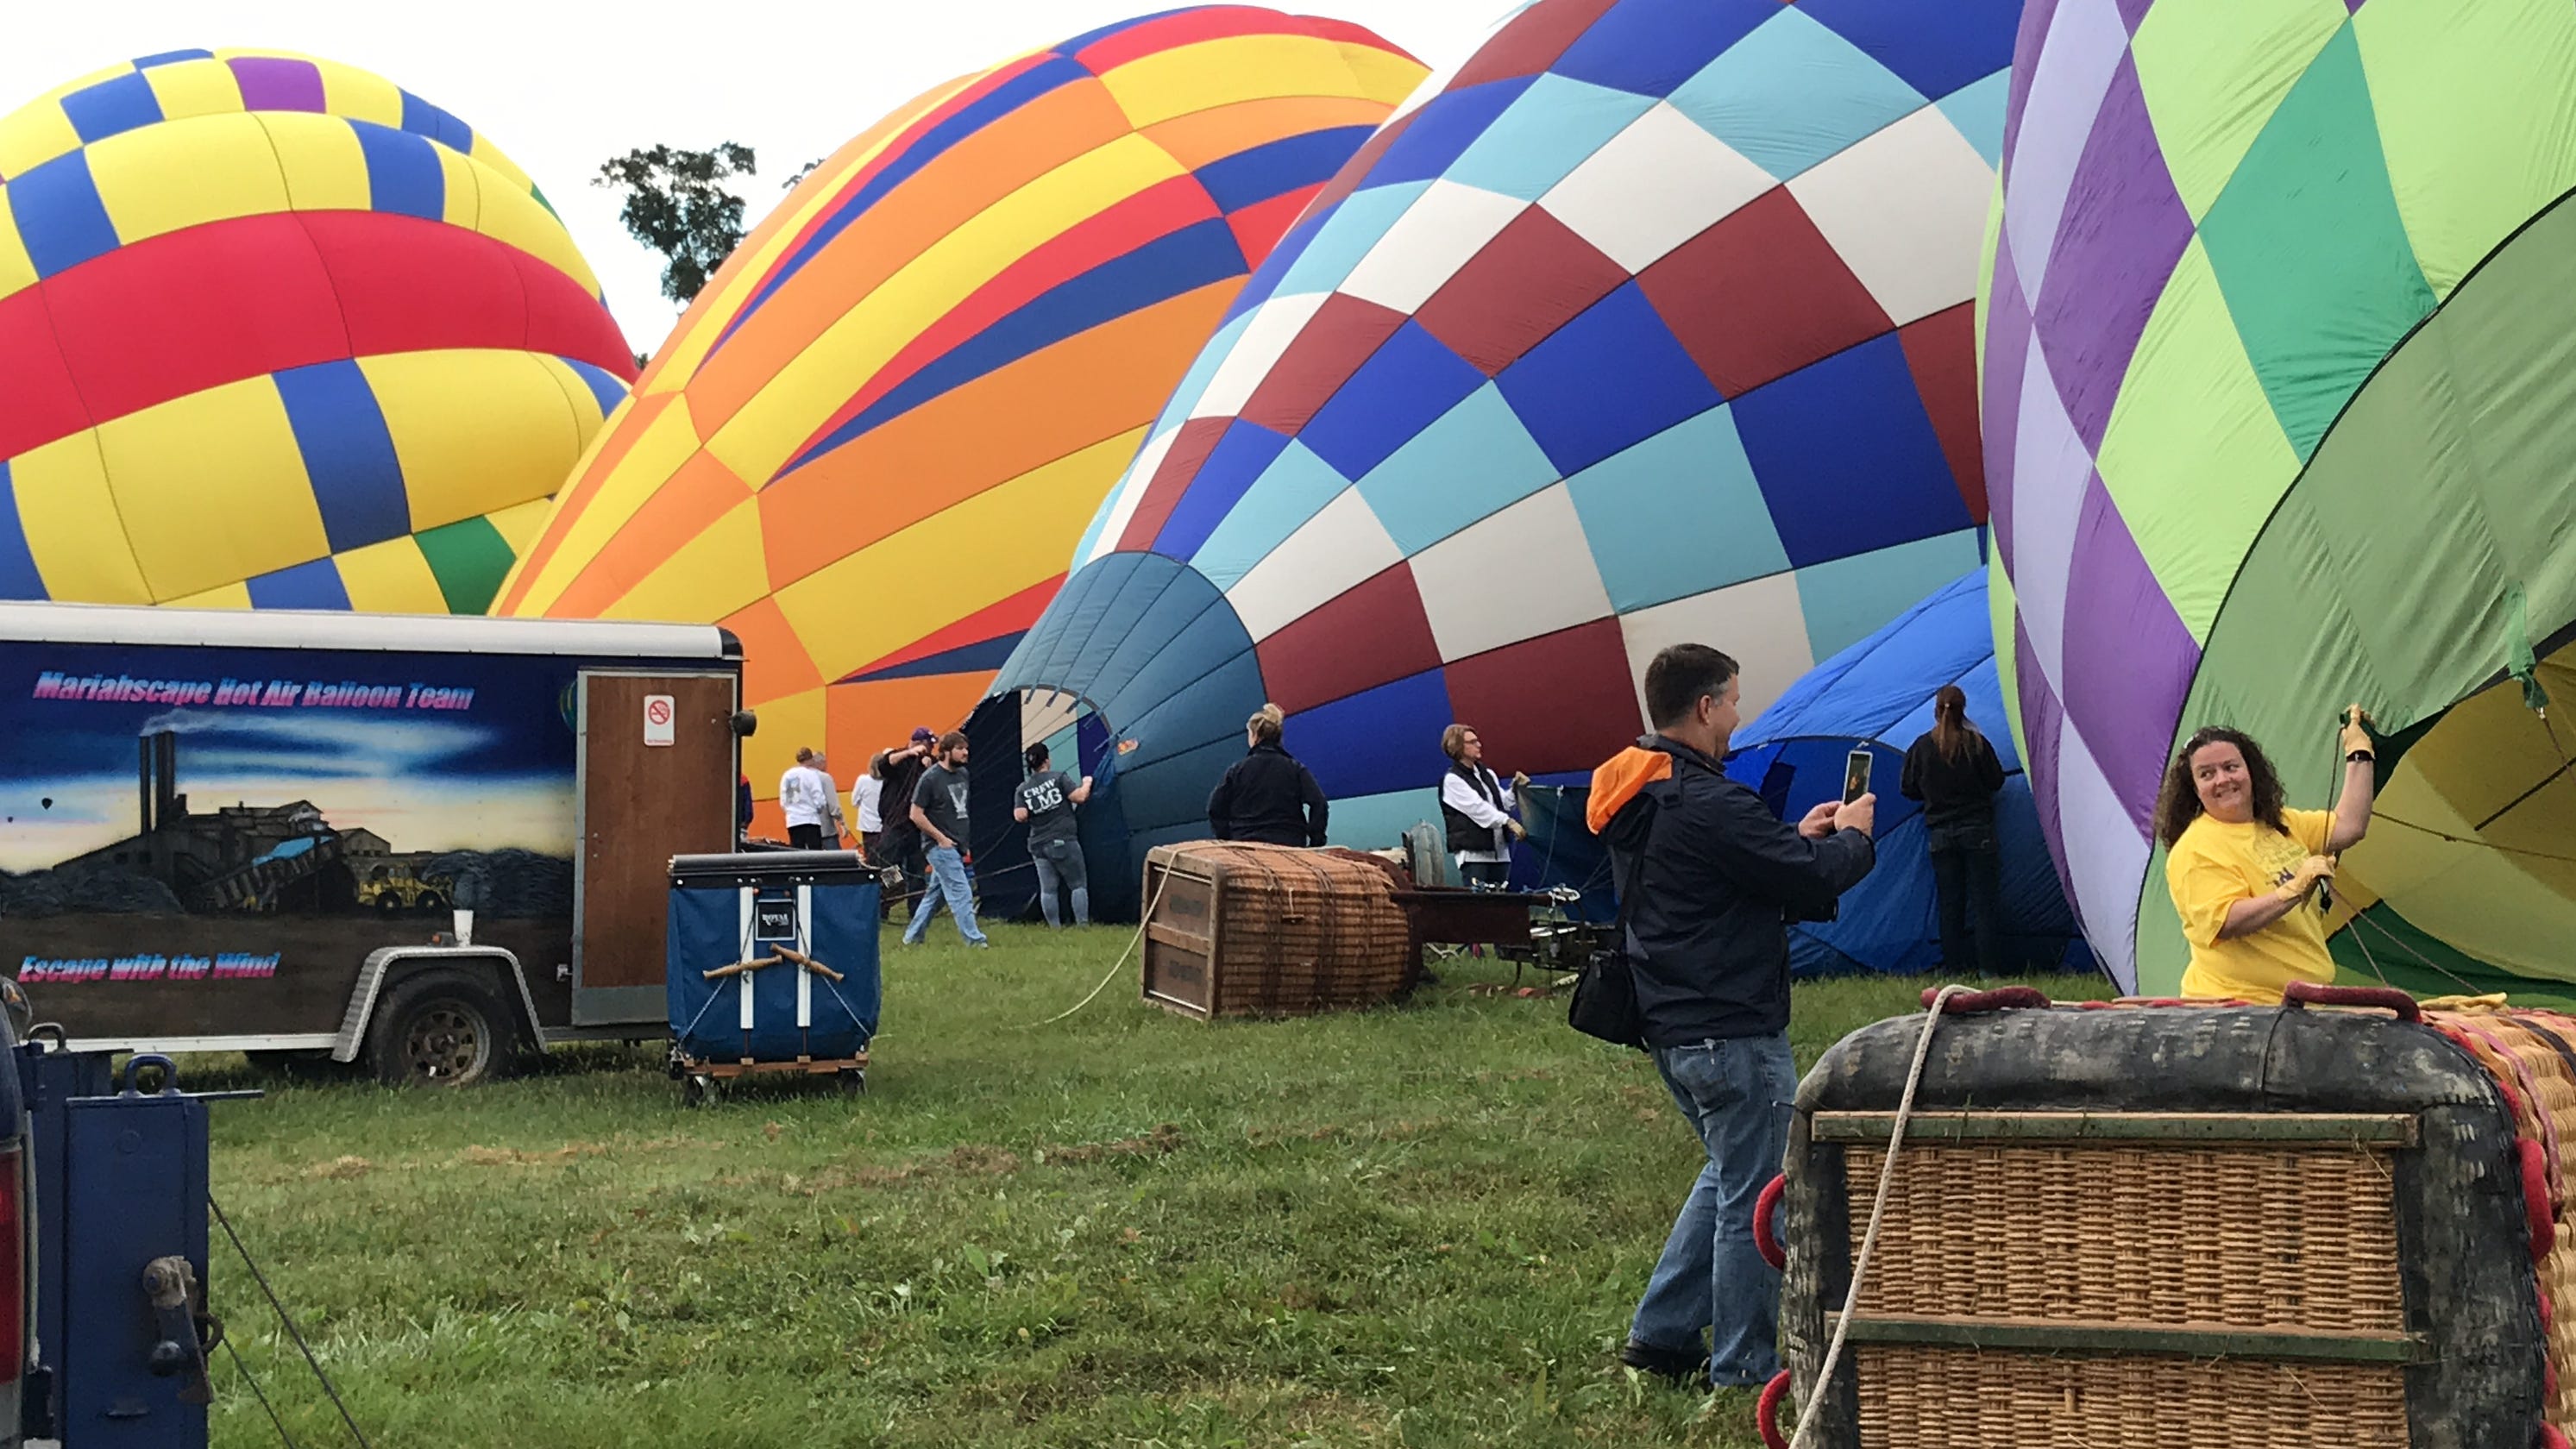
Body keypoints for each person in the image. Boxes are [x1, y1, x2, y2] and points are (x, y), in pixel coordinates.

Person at [1587, 643, 1877, 1389]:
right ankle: (1743, 1367)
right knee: (1759, 1196)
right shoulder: (1710, 801)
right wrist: (1853, 839)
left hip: (1673, 1023)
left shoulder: (1641, 794)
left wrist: (1792, 840)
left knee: (1729, 1177)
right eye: (1735, 702)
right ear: (1707, 706)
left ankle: (1662, 1335)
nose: (1739, 717)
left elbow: (1720, 875)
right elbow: (1807, 876)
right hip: (1731, 1029)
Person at [2158, 708, 2375, 1003]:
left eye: (2231, 767)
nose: (2222, 780)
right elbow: (2227, 920)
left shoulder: (2280, 823)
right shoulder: (2196, 848)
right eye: (2207, 774)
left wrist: (2359, 753)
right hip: (2238, 1008)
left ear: (2250, 771)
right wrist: (2293, 890)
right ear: (2194, 789)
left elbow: (2350, 826)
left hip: (2298, 1004)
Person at [1900, 685, 2008, 978]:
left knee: (1950, 906)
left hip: (1940, 835)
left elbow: (1907, 787)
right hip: (1978, 831)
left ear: (1936, 710)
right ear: (1964, 710)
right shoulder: (1976, 743)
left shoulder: (1921, 747)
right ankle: (1989, 972)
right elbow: (1996, 781)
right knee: (1984, 905)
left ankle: (1954, 971)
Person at [902, 731, 989, 948]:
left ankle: (912, 938)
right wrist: (940, 838)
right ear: (946, 752)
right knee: (962, 891)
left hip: (957, 844)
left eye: (966, 748)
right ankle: (975, 941)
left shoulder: (963, 775)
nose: (965, 753)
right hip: (939, 846)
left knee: (935, 896)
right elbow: (915, 814)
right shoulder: (930, 779)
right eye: (960, 749)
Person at [1208, 704, 1328, 846]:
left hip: (1245, 847)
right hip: (1288, 845)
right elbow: (1319, 804)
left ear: (1255, 736)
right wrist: (1316, 840)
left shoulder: (1237, 771)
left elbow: (1214, 808)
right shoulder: (1295, 769)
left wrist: (1228, 838)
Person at [1439, 724, 1528, 888]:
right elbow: (1478, 809)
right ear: (1458, 746)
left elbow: (1503, 804)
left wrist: (1516, 788)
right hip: (1475, 857)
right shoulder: (1452, 780)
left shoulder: (1487, 774)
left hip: (1500, 854)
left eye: (1477, 741)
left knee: (1504, 904)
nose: (1478, 745)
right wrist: (1508, 822)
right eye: (1472, 742)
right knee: (1481, 906)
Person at [1014, 743, 1094, 927]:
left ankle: (1055, 928)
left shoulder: (1022, 789)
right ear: (1047, 760)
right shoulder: (1059, 778)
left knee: (1048, 890)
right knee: (1078, 884)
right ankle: (1082, 925)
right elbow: (1079, 797)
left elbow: (1020, 815)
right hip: (1064, 840)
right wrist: (1087, 782)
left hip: (1038, 845)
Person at [873, 728, 938, 911]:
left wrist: (929, 767)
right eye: (928, 744)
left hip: (918, 824)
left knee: (917, 868)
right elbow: (885, 764)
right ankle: (884, 904)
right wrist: (910, 753)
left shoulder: (929, 763)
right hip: (896, 824)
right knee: (888, 865)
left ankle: (916, 908)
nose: (931, 748)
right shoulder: (898, 757)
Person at [779, 747, 835, 850]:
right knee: (814, 854)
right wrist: (818, 809)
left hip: (793, 821)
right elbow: (819, 798)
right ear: (811, 759)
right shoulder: (811, 774)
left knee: (797, 853)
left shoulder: (788, 775)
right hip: (810, 819)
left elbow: (784, 801)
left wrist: (791, 811)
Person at [852, 750, 889, 863]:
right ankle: (890, 880)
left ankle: (872, 879)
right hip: (885, 825)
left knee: (870, 856)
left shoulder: (863, 780)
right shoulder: (889, 781)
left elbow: (854, 802)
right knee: (886, 859)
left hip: (868, 825)